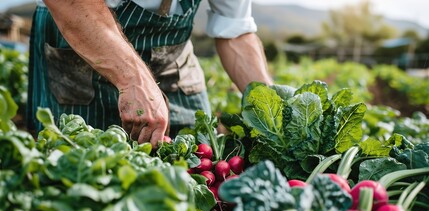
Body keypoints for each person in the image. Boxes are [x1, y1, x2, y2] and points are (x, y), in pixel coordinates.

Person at [27, 0, 273, 148]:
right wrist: (132, 79)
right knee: (87, 164)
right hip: (84, 41)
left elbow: (235, 30)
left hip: (172, 60)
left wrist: (272, 108)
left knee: (198, 161)